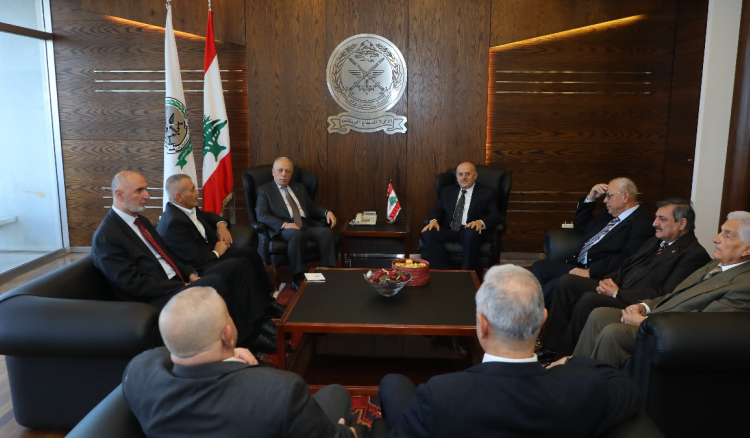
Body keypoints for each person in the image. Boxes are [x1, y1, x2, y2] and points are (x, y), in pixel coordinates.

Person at [378, 265, 642, 438]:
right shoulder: (583, 388)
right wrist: (570, 361)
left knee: (392, 383)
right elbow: (626, 387)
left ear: (481, 326)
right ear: (543, 320)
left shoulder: (439, 394)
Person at [123, 287, 357, 438]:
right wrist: (349, 433)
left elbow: (162, 354)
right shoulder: (283, 391)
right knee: (336, 392)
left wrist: (227, 353)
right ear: (227, 334)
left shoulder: (137, 374)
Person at [91, 171, 275, 352]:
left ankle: (257, 322)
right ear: (119, 195)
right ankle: (245, 341)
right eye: (139, 191)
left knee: (235, 267)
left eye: (146, 189)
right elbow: (133, 284)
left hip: (176, 280)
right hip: (153, 297)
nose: (147, 196)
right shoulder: (107, 236)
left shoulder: (141, 221)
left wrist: (189, 274)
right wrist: (181, 285)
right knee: (215, 282)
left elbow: (167, 254)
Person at [539, 198, 710, 360]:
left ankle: (565, 356)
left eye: (662, 219)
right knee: (568, 282)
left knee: (589, 299)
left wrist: (618, 293)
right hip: (619, 288)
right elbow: (626, 266)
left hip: (634, 302)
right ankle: (550, 347)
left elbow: (666, 294)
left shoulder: (693, 255)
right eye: (656, 217)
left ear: (682, 223)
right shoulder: (656, 241)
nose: (654, 223)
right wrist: (608, 281)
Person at [574, 211, 750, 368]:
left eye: (727, 235)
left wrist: (645, 322)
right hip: (659, 316)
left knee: (613, 332)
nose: (716, 238)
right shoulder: (713, 265)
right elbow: (675, 296)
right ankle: (575, 372)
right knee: (599, 315)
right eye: (720, 231)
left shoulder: (744, 286)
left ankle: (591, 387)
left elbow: (702, 326)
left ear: (747, 249)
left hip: (671, 335)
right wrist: (644, 306)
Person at [157, 174, 285, 339]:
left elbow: (210, 216)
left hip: (209, 257)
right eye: (192, 190)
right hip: (198, 269)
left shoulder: (187, 209)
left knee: (249, 252)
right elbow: (195, 261)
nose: (197, 192)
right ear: (179, 196)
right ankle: (258, 322)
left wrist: (221, 225)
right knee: (239, 264)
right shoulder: (173, 223)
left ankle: (267, 303)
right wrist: (217, 252)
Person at [530, 178, 653, 298]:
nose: (605, 200)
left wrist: (590, 272)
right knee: (539, 267)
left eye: (609, 196)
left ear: (625, 196)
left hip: (599, 274)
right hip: (577, 264)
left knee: (554, 285)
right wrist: (591, 197)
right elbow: (581, 225)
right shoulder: (608, 214)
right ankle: (532, 306)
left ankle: (535, 309)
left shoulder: (641, 223)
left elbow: (626, 258)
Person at [255, 157, 337, 290]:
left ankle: (328, 272)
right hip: (284, 229)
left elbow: (311, 207)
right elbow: (261, 215)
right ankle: (297, 277)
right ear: (273, 172)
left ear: (291, 174)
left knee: (326, 232)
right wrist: (284, 225)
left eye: (287, 171)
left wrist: (327, 212)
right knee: (296, 234)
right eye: (280, 170)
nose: (283, 174)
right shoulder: (264, 190)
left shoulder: (299, 187)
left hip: (304, 225)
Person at [421, 162, 502, 270]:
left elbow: (495, 215)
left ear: (475, 176)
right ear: (457, 177)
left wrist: (480, 222)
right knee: (429, 233)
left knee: (471, 232)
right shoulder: (447, 191)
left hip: (470, 230)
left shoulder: (487, 192)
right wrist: (433, 221)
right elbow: (437, 210)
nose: (464, 177)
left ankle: (467, 275)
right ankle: (442, 272)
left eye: (467, 174)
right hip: (450, 229)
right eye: (460, 174)